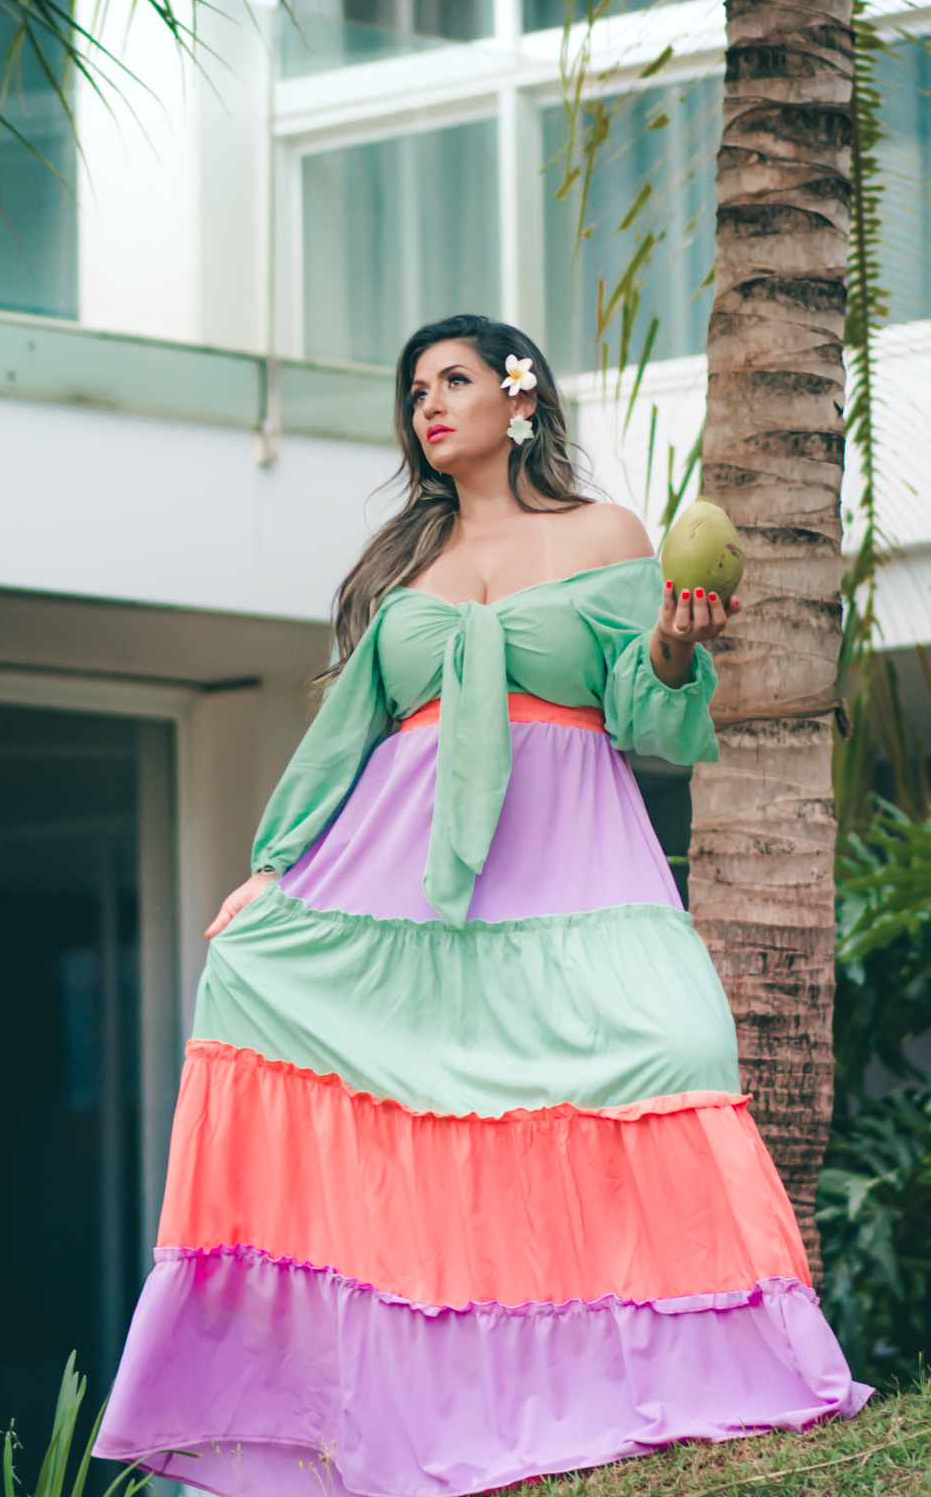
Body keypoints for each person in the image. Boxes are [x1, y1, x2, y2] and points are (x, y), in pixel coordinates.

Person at [95, 314, 868, 1496]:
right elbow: (347, 735)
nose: (429, 405)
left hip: (576, 875)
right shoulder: (404, 572)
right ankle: (416, 1404)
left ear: (521, 398)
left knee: (675, 1050)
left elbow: (644, 710)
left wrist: (672, 642)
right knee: (382, 1085)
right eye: (416, 391)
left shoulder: (604, 533)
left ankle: (697, 1374)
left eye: (453, 381)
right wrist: (276, 865)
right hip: (399, 890)